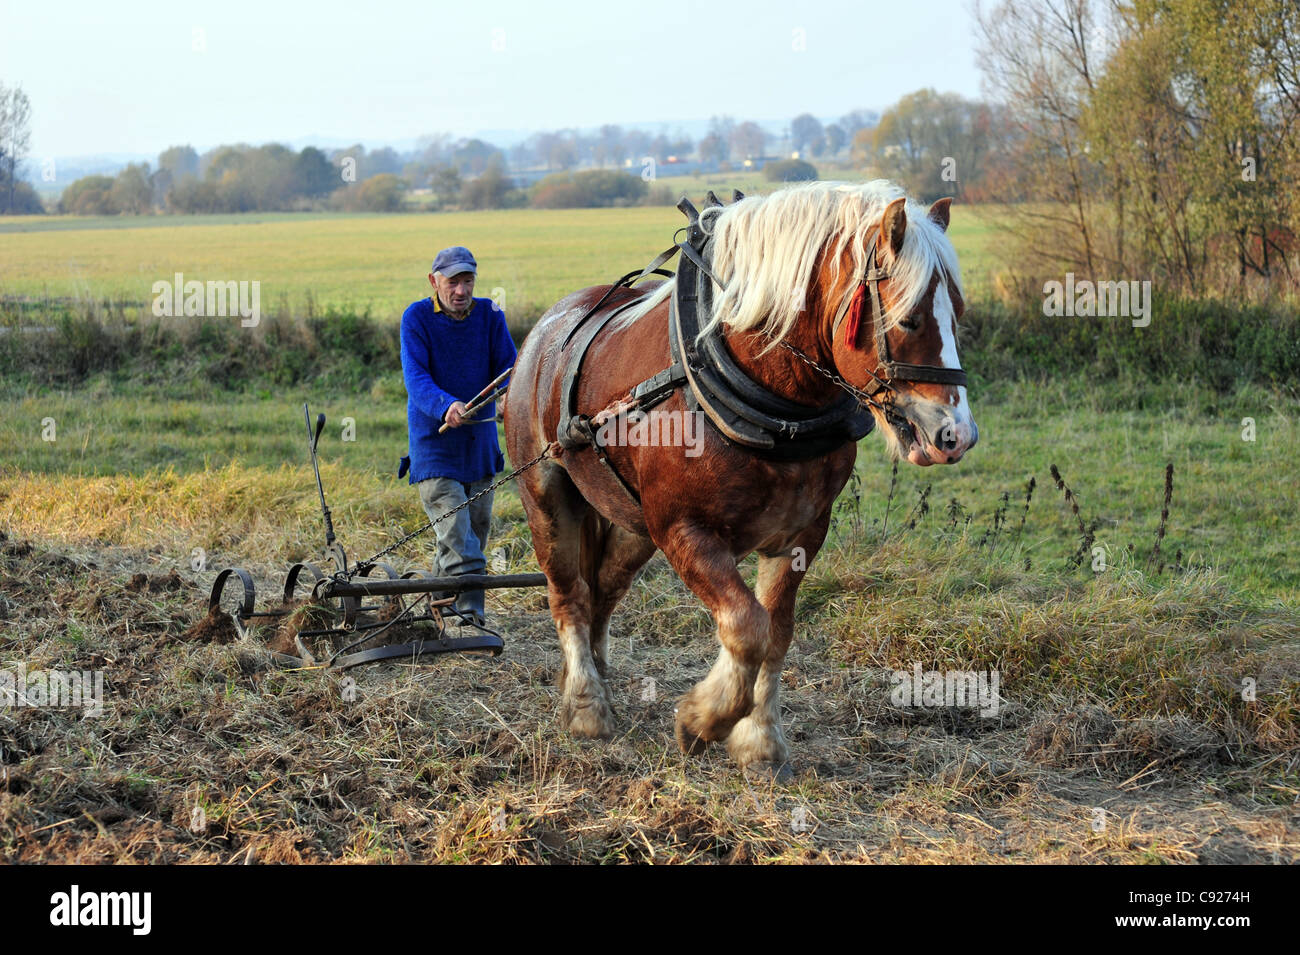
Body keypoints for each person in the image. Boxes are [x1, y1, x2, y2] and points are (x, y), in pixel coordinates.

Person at [399, 246, 517, 626]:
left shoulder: (490, 315)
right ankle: (468, 618)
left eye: (468, 281)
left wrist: (506, 398)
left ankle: (435, 610)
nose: (461, 290)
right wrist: (446, 405)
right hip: (435, 448)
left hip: (479, 449)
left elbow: (509, 366)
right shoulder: (416, 318)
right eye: (453, 282)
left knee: (471, 534)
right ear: (434, 282)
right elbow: (416, 380)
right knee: (461, 542)